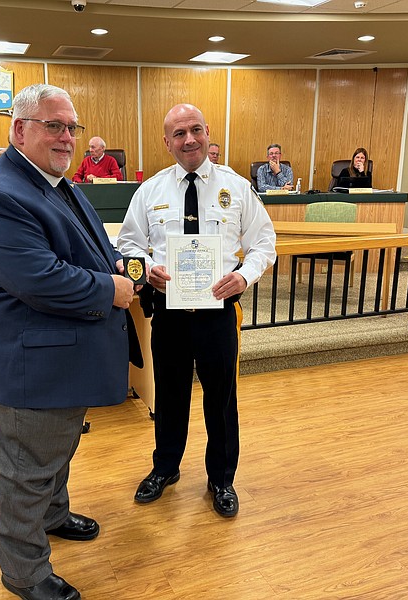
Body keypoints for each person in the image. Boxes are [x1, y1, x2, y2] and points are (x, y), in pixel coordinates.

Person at [0, 83, 136, 600]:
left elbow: (91, 248)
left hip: (56, 360)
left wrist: (136, 270)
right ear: (20, 130)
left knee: (54, 451)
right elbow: (41, 278)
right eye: (54, 125)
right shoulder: (2, 193)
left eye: (72, 127)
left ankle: (55, 515)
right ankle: (26, 574)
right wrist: (112, 289)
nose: (67, 138)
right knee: (24, 472)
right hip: (25, 367)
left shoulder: (53, 181)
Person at [118, 104, 276, 518]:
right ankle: (165, 468)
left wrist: (244, 277)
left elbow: (264, 243)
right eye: (179, 133)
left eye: (195, 130)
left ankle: (221, 478)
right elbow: (128, 244)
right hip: (169, 314)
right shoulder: (150, 191)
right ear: (166, 142)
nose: (189, 139)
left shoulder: (237, 188)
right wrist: (146, 268)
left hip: (217, 315)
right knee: (169, 396)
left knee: (222, 400)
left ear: (207, 133)